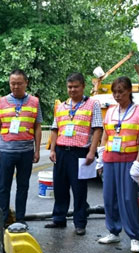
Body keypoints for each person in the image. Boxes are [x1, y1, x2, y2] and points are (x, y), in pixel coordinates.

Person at [96, 77, 139, 253]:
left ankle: (134, 236)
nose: (117, 95)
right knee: (109, 197)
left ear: (129, 92)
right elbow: (106, 135)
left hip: (129, 159)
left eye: (121, 91)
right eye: (115, 92)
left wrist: (138, 161)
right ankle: (113, 231)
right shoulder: (111, 111)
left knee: (128, 198)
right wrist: (101, 156)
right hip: (111, 158)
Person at [46, 72, 103, 235]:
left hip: (80, 153)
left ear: (83, 86)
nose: (72, 90)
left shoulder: (93, 104)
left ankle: (80, 223)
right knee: (60, 188)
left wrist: (92, 152)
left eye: (76, 87)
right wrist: (52, 150)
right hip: (61, 151)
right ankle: (59, 218)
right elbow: (55, 129)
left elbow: (98, 129)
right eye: (70, 87)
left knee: (79, 190)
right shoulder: (62, 106)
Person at [0, 69, 42, 227]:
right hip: (6, 151)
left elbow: (38, 127)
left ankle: (20, 219)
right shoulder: (1, 102)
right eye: (12, 83)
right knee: (3, 187)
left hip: (26, 151)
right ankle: (2, 219)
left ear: (26, 83)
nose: (15, 86)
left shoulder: (34, 102)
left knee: (23, 186)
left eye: (19, 83)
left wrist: (37, 150)